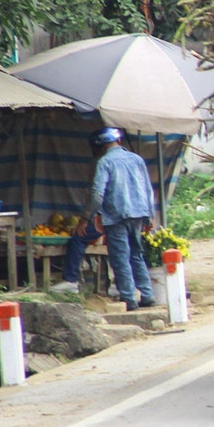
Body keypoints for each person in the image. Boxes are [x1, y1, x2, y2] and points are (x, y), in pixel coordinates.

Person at [65, 127, 156, 311]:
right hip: (138, 213)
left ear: (98, 147)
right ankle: (147, 295)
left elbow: (97, 194)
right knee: (136, 254)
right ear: (118, 142)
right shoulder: (137, 159)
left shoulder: (105, 162)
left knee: (120, 256)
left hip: (116, 216)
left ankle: (129, 298)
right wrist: (150, 215)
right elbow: (148, 190)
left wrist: (86, 218)